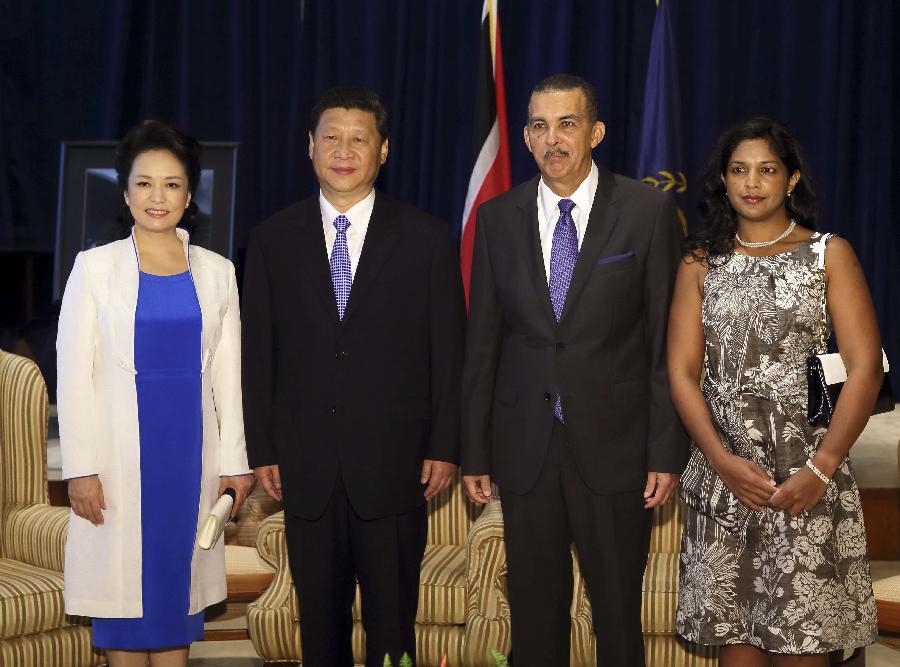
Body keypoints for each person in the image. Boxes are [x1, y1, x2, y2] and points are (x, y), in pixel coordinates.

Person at [460, 74, 688, 666]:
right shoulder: (496, 218)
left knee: (616, 616)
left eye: (566, 124)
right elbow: (483, 344)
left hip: (616, 447)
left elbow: (667, 341)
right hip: (526, 449)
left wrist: (665, 452)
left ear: (596, 132)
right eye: (538, 125)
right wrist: (475, 452)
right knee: (534, 619)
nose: (551, 138)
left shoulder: (646, 211)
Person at [241, 86, 466, 667]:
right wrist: (262, 445)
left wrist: (445, 444)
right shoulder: (271, 240)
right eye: (332, 137)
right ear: (309, 146)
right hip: (305, 465)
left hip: (396, 466)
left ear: (383, 150)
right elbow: (258, 354)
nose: (344, 150)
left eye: (359, 138)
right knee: (320, 626)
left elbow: (449, 350)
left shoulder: (426, 238)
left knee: (394, 627)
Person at [668, 117, 880, 666]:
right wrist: (720, 461)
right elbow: (681, 372)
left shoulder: (828, 253)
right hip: (727, 486)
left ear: (791, 180)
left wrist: (822, 468)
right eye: (739, 169)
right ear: (723, 179)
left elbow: (865, 369)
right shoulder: (699, 261)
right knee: (738, 650)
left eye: (767, 169)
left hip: (806, 485)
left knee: (803, 651)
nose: (752, 182)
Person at [57, 120, 254, 667]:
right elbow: (72, 376)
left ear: (189, 196)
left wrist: (236, 464)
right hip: (117, 466)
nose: (157, 196)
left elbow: (228, 379)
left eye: (171, 184)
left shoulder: (218, 273)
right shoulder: (94, 270)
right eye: (144, 184)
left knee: (176, 608)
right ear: (125, 193)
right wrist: (81, 469)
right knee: (124, 615)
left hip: (189, 463)